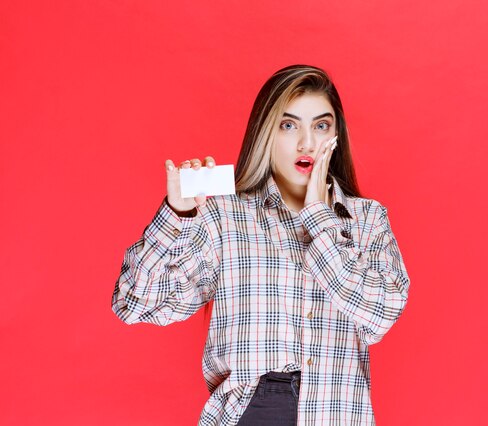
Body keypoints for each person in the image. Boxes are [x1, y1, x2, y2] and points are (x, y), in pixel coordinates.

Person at [112, 64, 410, 425]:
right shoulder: (225, 215)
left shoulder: (367, 219)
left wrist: (318, 214)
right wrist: (178, 214)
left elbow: (380, 315)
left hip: (337, 411)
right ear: (266, 132)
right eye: (289, 125)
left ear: (336, 134)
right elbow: (135, 303)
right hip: (253, 410)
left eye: (321, 125)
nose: (307, 143)